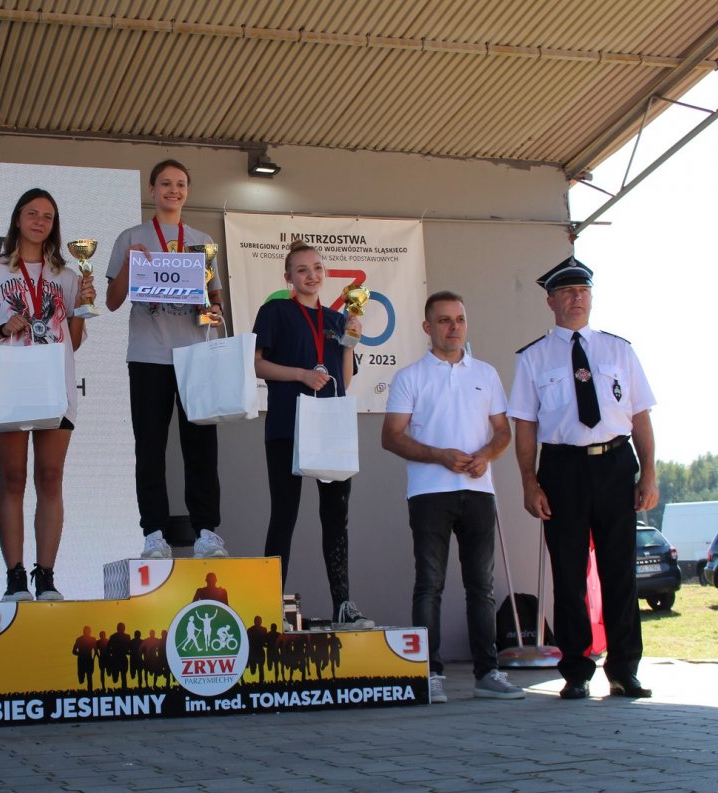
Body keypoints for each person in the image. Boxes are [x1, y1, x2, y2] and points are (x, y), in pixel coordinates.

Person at [508, 258, 658, 700]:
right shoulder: (533, 357)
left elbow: (640, 416)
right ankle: (576, 671)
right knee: (568, 573)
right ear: (551, 301)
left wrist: (649, 472)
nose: (577, 299)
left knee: (620, 572)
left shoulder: (619, 350)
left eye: (583, 291)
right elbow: (525, 427)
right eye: (567, 292)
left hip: (615, 464)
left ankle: (624, 669)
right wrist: (529, 481)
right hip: (562, 468)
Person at [381, 290, 523, 703]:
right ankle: (430, 673)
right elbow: (391, 437)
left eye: (459, 319)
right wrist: (438, 456)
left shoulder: (487, 373)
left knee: (482, 586)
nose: (453, 327)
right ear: (428, 327)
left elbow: (503, 432)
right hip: (429, 493)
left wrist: (486, 455)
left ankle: (488, 673)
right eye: (444, 320)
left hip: (478, 492)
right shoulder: (410, 377)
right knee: (430, 585)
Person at [0, 188, 93, 602]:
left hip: (55, 383)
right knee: (14, 478)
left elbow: (72, 342)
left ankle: (47, 576)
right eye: (33, 214)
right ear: (18, 219)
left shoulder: (66, 276)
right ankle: (15, 576)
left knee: (51, 477)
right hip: (10, 384)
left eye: (48, 217)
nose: (40, 222)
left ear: (55, 226)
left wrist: (82, 307)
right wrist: (4, 329)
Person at [105, 159, 228, 559]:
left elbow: (214, 300)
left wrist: (213, 310)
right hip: (148, 355)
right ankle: (154, 534)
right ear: (152, 190)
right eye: (165, 184)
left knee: (201, 448)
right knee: (150, 448)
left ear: (187, 191)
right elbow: (111, 301)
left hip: (196, 356)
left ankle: (206, 532)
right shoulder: (131, 237)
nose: (173, 190)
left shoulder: (202, 240)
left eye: (180, 184)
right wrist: (131, 263)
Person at [251, 241, 371, 629]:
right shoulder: (275, 312)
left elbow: (344, 379)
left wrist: (350, 342)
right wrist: (301, 375)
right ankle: (270, 605)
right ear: (288, 277)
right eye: (302, 270)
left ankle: (344, 605)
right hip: (287, 425)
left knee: (336, 516)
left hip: (330, 426)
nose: (311, 275)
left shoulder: (336, 319)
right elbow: (256, 364)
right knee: (284, 514)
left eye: (317, 268)